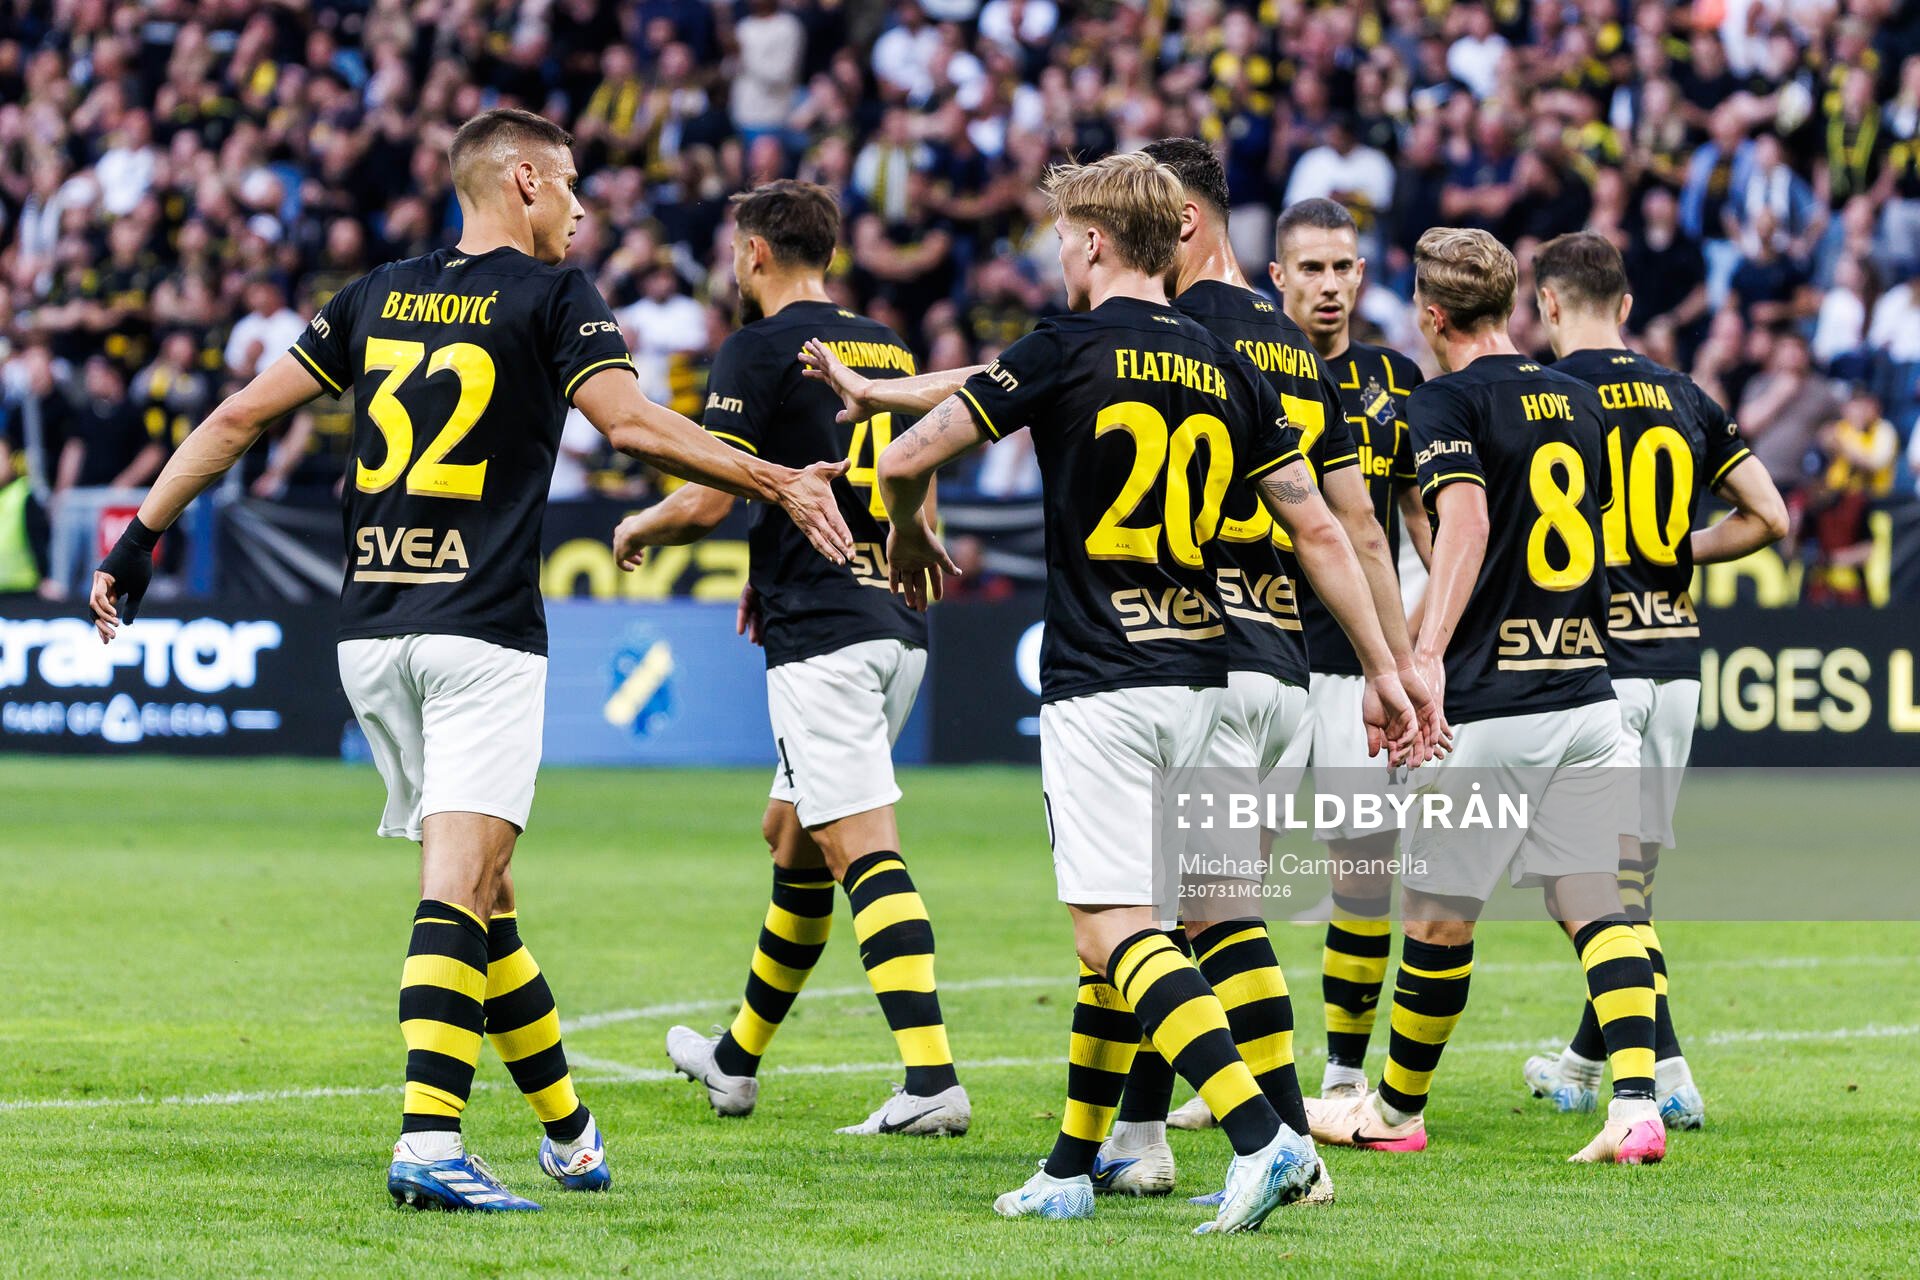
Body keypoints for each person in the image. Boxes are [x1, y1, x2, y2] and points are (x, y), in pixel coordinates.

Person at [88, 108, 854, 1213]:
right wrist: (776, 478)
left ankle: (570, 1131)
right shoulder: (554, 298)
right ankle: (430, 1139)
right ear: (527, 181)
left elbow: (244, 411)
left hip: (374, 634)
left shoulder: (376, 293)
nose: (587, 207)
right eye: (577, 182)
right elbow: (630, 425)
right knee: (456, 883)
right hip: (480, 636)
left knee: (487, 896)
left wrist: (139, 538)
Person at [813, 151, 1424, 1234]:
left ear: (1093, 242)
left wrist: (906, 523)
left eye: (1060, 234)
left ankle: (1262, 1135)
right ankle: (1072, 1160)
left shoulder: (1065, 344)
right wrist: (1385, 665)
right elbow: (1323, 522)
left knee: (1112, 932)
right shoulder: (1226, 356)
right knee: (1174, 921)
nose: (1056, 249)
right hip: (1211, 671)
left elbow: (912, 451)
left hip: (1106, 676)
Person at [1085, 140, 1436, 1206]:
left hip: (1201, 656)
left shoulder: (1174, 334)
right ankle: (1162, 1129)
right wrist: (1398, 668)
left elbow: (1046, 368)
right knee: (1197, 908)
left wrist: (897, 399)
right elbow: (1359, 530)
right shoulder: (1294, 354)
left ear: (1179, 222)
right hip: (1287, 663)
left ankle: (1265, 1132)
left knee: (1149, 916)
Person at [611, 180, 968, 1137]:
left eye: (736, 249)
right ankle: (735, 1064)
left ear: (757, 254)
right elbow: (914, 485)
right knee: (792, 835)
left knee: (863, 850)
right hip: (890, 626)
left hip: (825, 640)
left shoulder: (757, 346)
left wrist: (641, 522)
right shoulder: (884, 346)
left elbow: (710, 493)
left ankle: (931, 1080)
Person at [1305, 227, 1666, 1166]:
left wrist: (1420, 660)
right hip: (1587, 691)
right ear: (1511, 307)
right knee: (1598, 905)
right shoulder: (1579, 400)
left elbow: (1460, 526)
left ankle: (1393, 1111)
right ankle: (1634, 1104)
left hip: (1496, 705)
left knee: (1435, 917)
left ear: (1430, 316)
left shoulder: (1444, 401)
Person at [1527, 231, 1787, 1129]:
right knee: (1627, 887)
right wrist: (1681, 550)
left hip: (1595, 668)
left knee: (1586, 892)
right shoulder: (1685, 395)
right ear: (1628, 305)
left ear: (1549, 305)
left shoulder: (1551, 398)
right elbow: (1772, 515)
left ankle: (1668, 1076)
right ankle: (1574, 1065)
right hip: (1676, 661)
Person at [1267, 197, 1436, 1103]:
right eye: (1312, 269)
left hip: (1354, 668)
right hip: (1253, 653)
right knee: (1216, 875)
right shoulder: (1242, 360)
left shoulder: (1397, 381)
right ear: (1278, 277)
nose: (1329, 287)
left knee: (1362, 872)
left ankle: (1339, 1074)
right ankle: (1232, 1073)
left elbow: (1421, 523)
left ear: (1361, 276)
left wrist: (1412, 654)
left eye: (1344, 268)